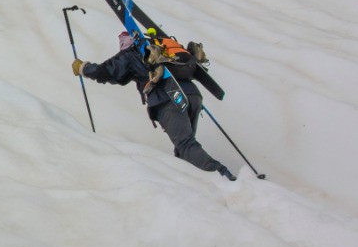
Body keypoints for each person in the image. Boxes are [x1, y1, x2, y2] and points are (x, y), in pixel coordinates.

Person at [73, 30, 236, 181]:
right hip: (192, 95)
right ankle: (188, 184)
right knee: (184, 147)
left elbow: (105, 72)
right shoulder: (161, 48)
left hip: (168, 98)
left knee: (185, 145)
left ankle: (222, 176)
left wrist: (83, 68)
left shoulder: (131, 53)